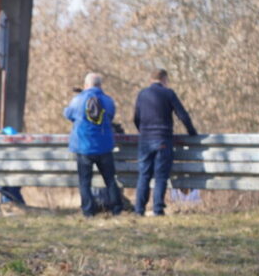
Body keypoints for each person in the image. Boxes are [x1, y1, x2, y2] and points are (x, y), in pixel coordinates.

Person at [133, 68, 198, 216]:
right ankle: (157, 209)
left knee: (144, 175)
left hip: (145, 140)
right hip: (163, 138)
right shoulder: (168, 93)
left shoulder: (142, 94)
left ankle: (139, 209)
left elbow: (136, 118)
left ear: (151, 79)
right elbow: (183, 115)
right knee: (161, 176)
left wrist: (142, 131)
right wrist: (192, 132)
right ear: (164, 79)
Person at [64, 73, 121, 217]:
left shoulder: (77, 100)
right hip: (104, 146)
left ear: (86, 85)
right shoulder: (108, 101)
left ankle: (88, 211)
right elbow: (111, 116)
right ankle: (116, 209)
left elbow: (68, 114)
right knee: (110, 180)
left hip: (83, 147)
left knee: (84, 182)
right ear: (100, 85)